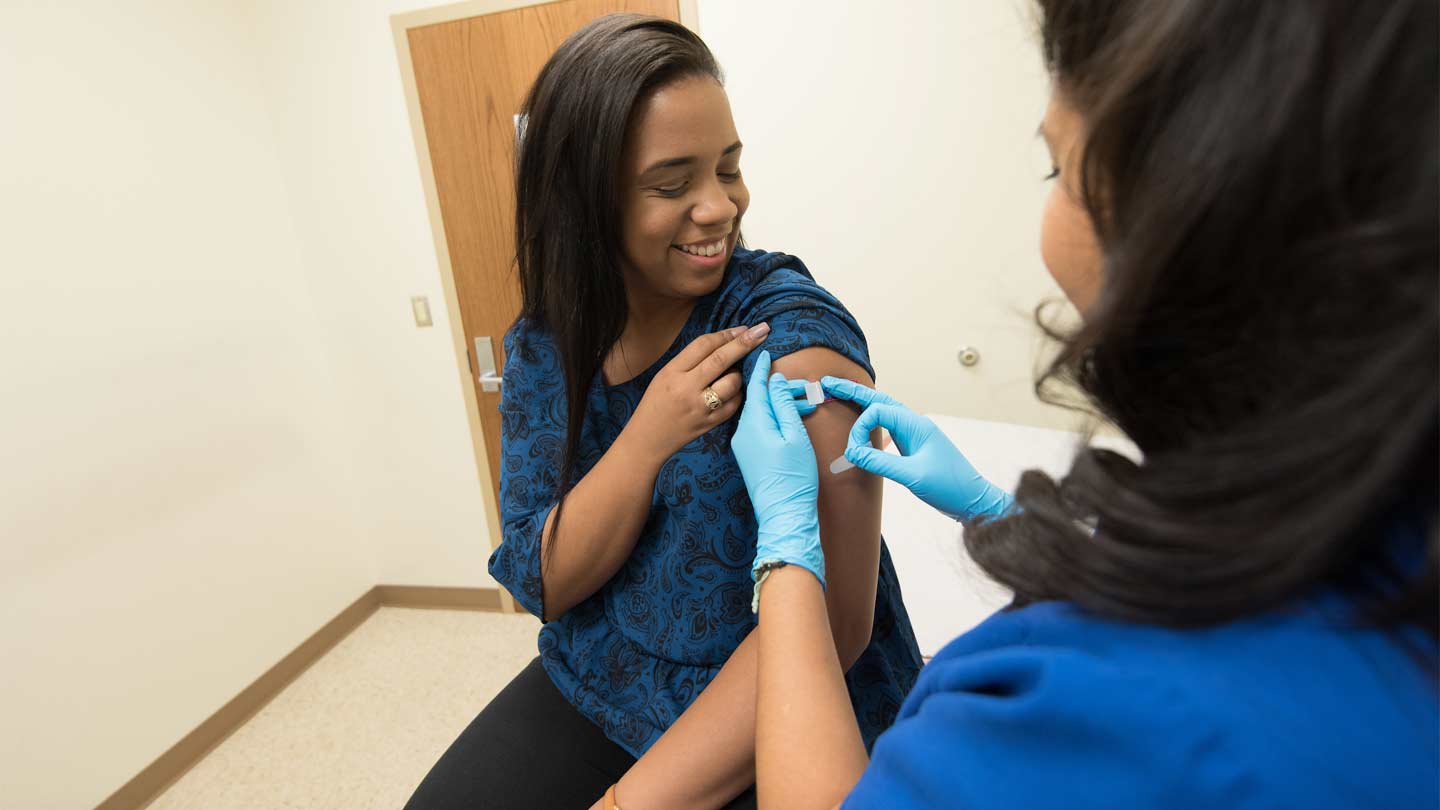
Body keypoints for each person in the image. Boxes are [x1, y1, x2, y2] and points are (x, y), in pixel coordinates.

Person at [731, 0, 1439, 807]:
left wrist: (784, 548)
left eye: (1058, 169)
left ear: (1188, 222)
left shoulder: (1094, 721)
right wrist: (1005, 518)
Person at [403, 14, 922, 810]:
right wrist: (647, 440)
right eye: (672, 184)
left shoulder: (792, 339)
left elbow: (838, 629)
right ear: (584, 201)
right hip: (608, 668)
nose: (719, 207)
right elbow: (545, 580)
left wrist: (624, 803)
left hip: (789, 694)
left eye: (730, 168)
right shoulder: (547, 343)